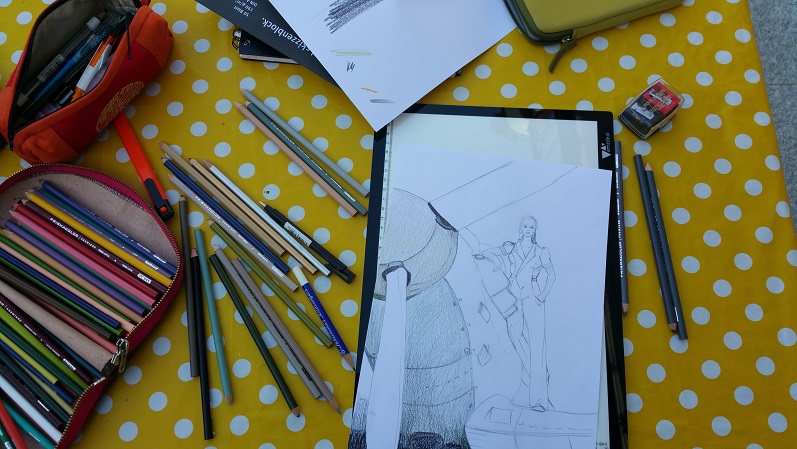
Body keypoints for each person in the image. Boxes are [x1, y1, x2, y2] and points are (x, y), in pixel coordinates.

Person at [460, 215, 556, 411]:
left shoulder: (541, 251)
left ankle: (538, 401)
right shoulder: (512, 247)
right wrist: (495, 259)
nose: (528, 229)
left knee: (537, 345)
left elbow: (552, 275)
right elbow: (487, 252)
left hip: (533, 298)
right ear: (521, 228)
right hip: (514, 296)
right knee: (516, 337)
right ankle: (537, 378)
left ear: (535, 230)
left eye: (531, 227)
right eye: (525, 226)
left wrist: (542, 296)